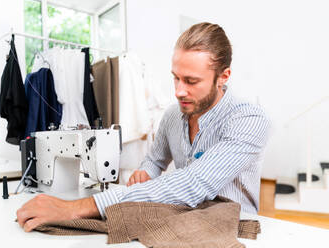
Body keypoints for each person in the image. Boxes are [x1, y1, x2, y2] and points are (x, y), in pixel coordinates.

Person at [16, 22, 270, 232]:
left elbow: (195, 183)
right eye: (176, 78)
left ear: (223, 76)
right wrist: (145, 172)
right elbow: (155, 160)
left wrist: (73, 208)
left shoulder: (248, 120)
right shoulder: (174, 115)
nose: (179, 91)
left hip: (236, 228)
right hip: (186, 218)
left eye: (191, 81)